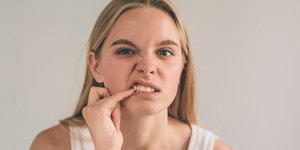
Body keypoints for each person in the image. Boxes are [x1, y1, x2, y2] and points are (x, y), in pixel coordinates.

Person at [30, 0, 230, 149]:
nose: (147, 67)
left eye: (164, 52)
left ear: (183, 67)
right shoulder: (53, 145)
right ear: (96, 66)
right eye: (126, 51)